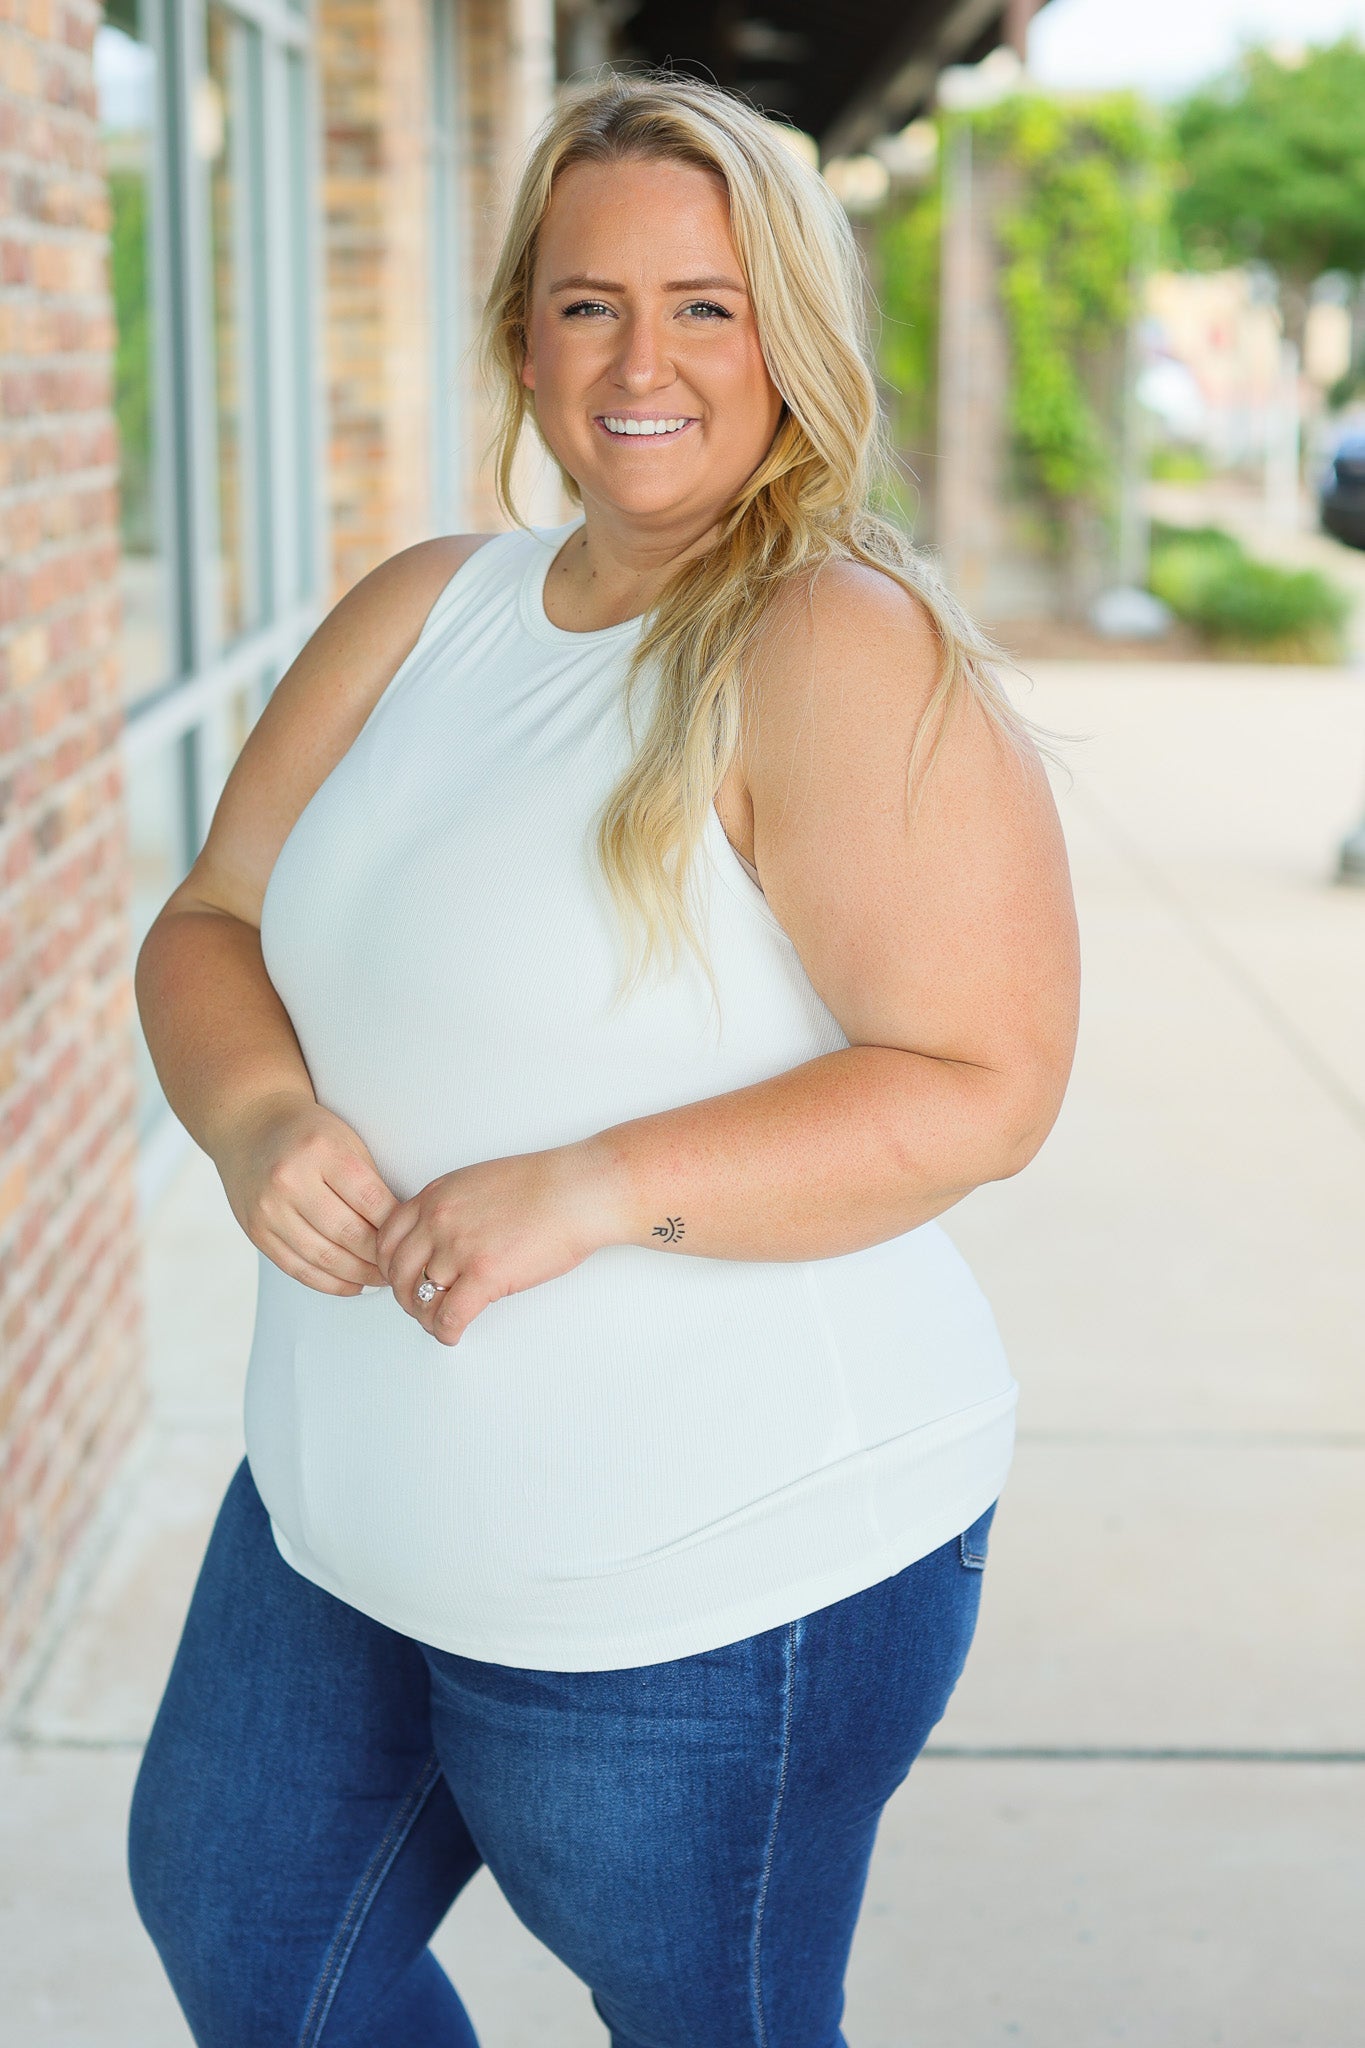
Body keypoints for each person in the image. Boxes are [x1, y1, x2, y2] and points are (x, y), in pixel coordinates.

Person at [127, 70, 1079, 2048]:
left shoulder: (830, 639)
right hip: (346, 1499)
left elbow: (981, 1080)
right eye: (585, 304)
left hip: (707, 1570)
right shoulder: (423, 611)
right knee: (249, 1937)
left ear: (787, 339)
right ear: (520, 338)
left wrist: (586, 1182)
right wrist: (255, 1114)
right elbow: (207, 923)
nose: (640, 359)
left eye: (703, 304)